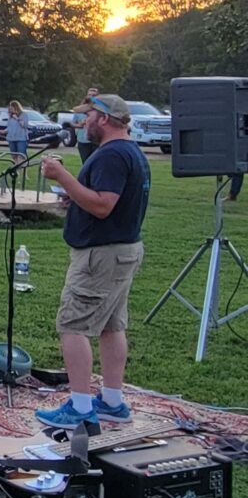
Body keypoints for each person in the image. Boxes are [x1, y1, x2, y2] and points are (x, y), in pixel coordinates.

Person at [35, 94, 151, 429]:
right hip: (121, 250)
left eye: (87, 117)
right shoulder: (130, 151)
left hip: (101, 256)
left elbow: (103, 205)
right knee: (112, 325)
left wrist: (63, 177)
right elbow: (108, 203)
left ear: (103, 118)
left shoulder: (112, 154)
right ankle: (112, 402)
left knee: (72, 325)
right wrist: (74, 200)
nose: (82, 123)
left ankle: (81, 408)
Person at [74, 85, 101, 163]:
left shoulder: (100, 110)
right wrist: (81, 124)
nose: (91, 97)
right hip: (82, 140)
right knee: (85, 162)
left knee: (95, 162)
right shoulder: (80, 110)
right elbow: (74, 124)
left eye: (94, 95)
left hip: (96, 141)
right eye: (89, 95)